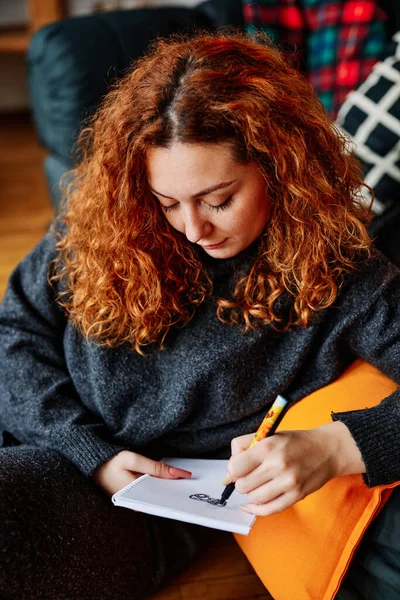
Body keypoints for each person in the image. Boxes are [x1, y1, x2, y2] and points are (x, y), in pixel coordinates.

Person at [1, 30, 400, 600]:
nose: (192, 229)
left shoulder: (342, 276)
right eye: (169, 203)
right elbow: (16, 327)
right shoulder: (113, 217)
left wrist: (337, 446)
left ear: (280, 167)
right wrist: (89, 450)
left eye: (218, 200)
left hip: (122, 507)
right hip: (46, 428)